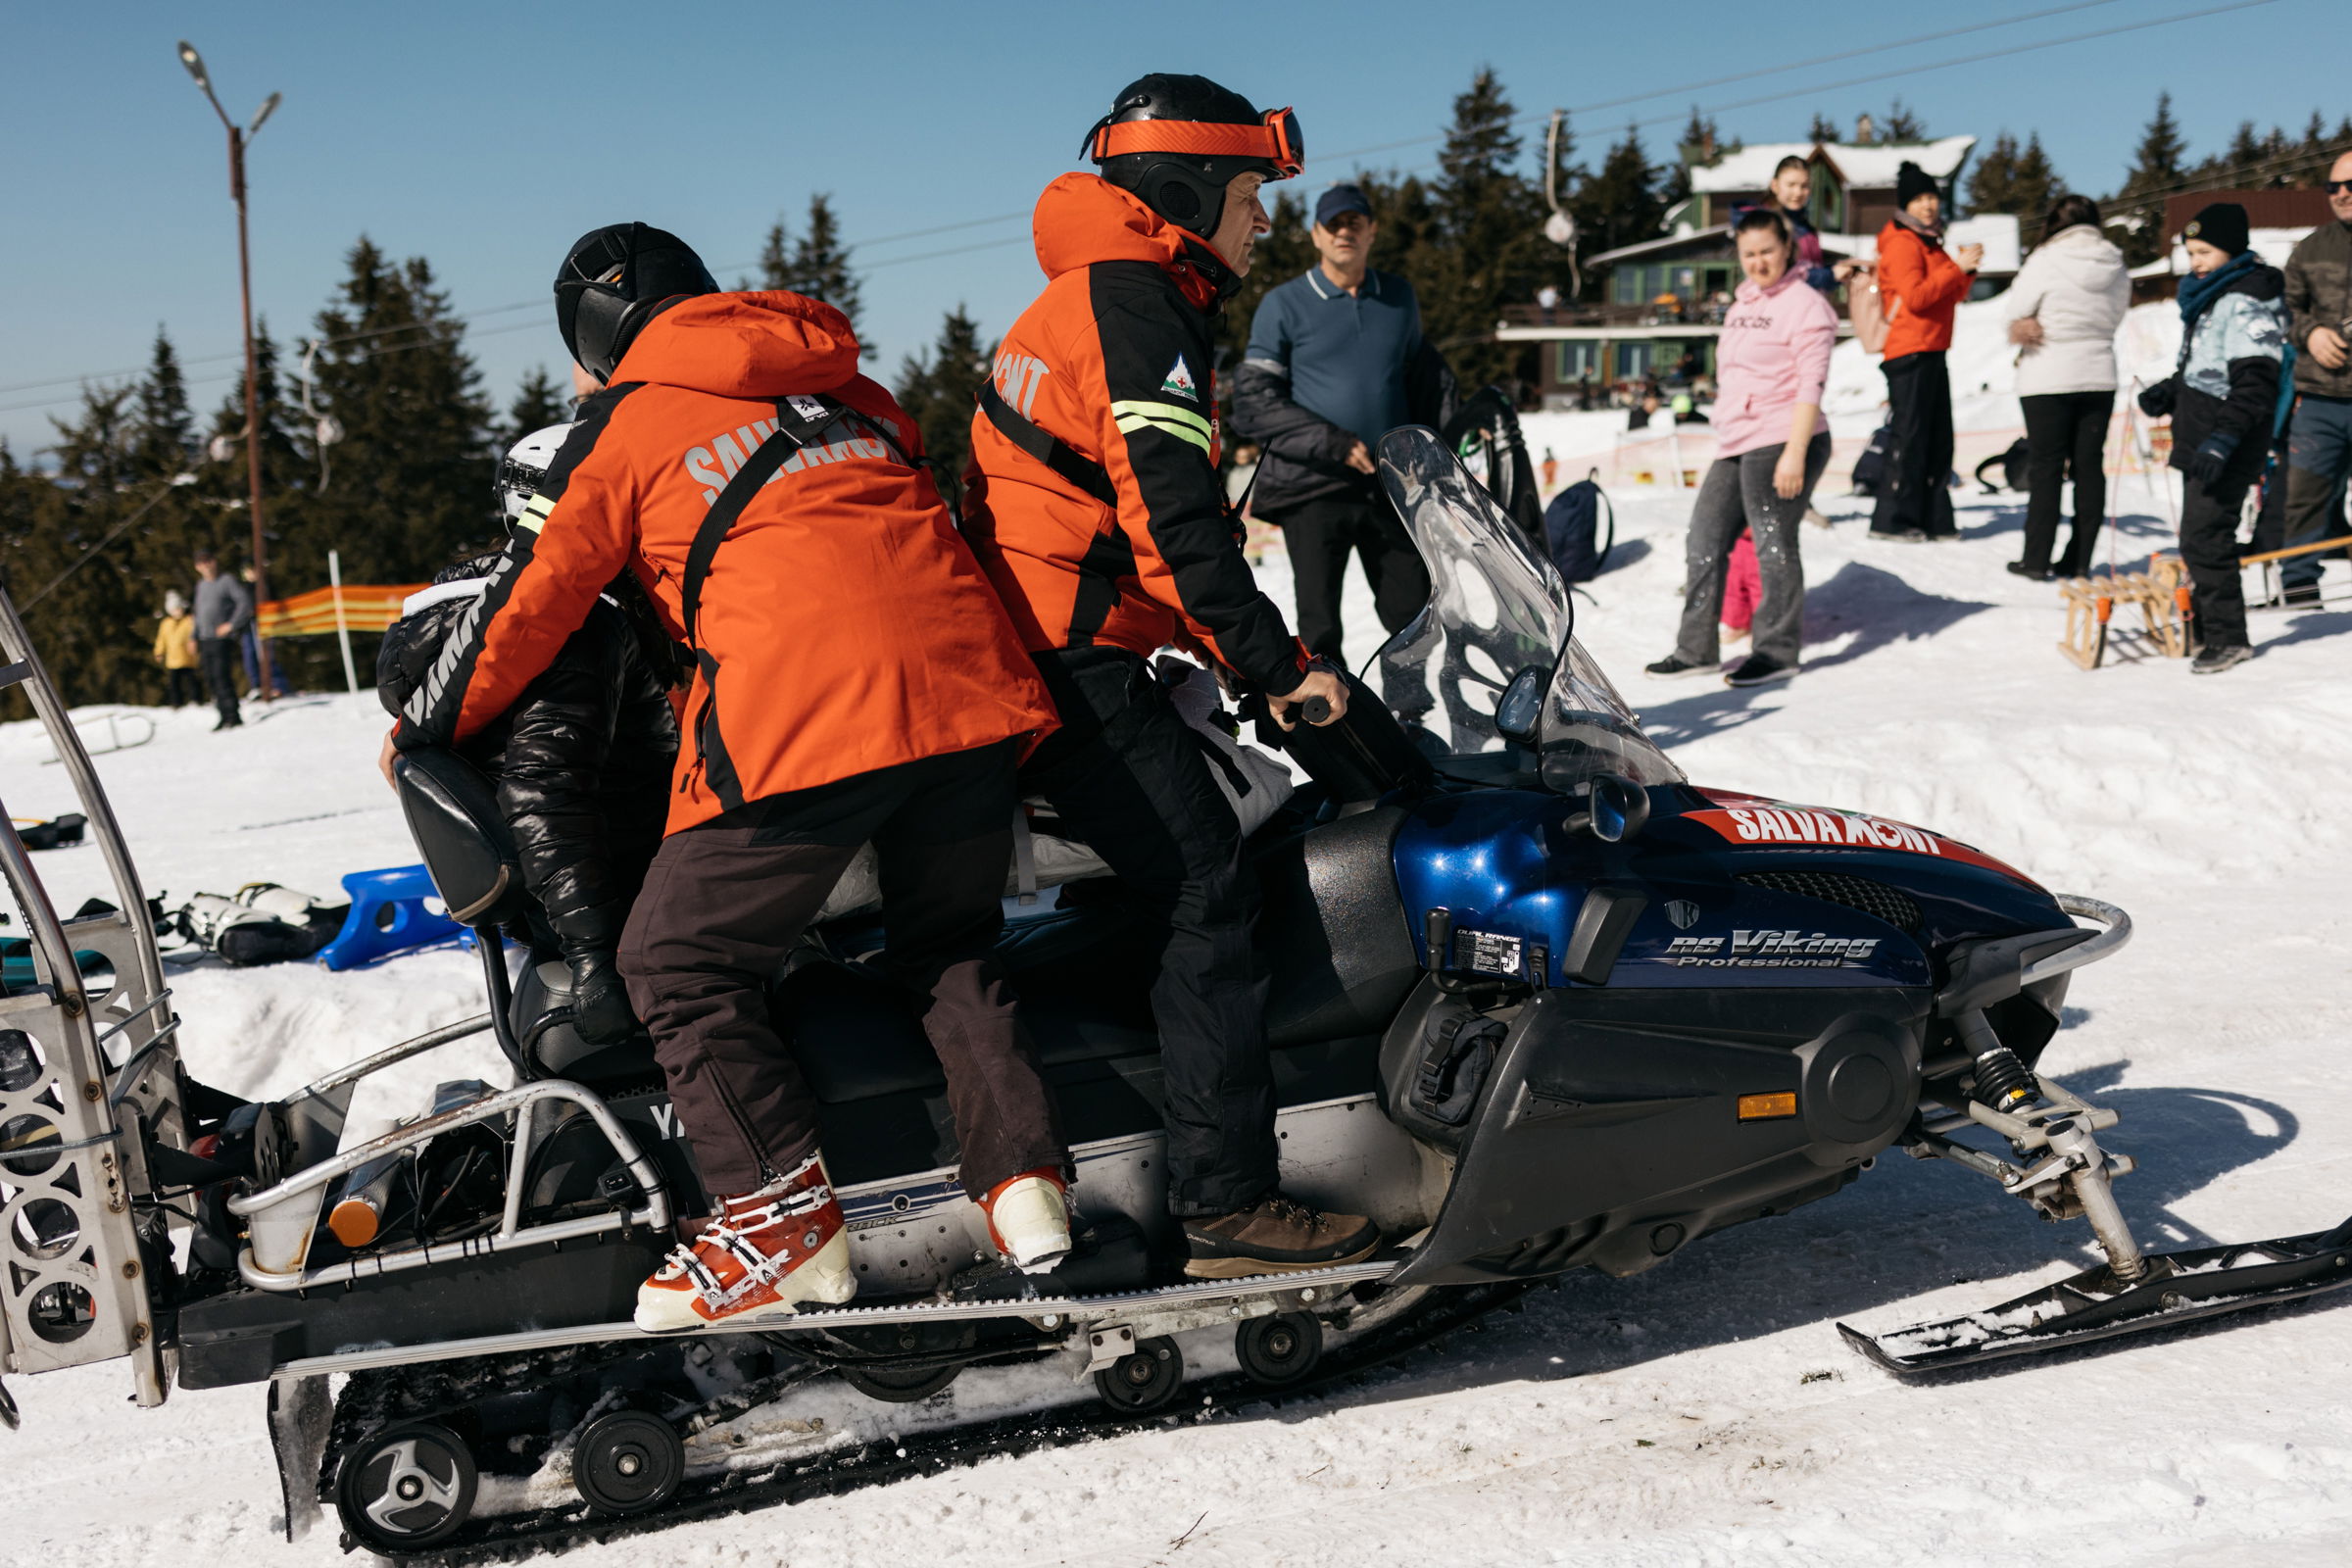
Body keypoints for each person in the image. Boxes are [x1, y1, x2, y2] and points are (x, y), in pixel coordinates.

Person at [391, 222, 1072, 1329]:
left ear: (603, 333)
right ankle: (1026, 1191)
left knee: (675, 959)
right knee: (946, 938)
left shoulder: (621, 426)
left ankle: (774, 1217)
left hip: (812, 712)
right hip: (972, 693)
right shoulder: (848, 386)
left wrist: (423, 722)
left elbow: (530, 605)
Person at [963, 74, 1376, 1279]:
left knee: (1184, 860)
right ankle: (1227, 1202)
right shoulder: (1136, 304)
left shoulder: (1106, 290)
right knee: (1204, 882)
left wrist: (1219, 652)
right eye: (1249, 195)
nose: (1261, 223)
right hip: (1069, 656)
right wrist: (1285, 666)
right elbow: (1178, 531)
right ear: (1188, 192)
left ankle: (1165, 1114)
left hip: (1065, 640)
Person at [376, 423, 678, 1051]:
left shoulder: (458, 627)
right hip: (631, 917)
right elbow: (544, 791)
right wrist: (594, 955)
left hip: (559, 914)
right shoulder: (572, 621)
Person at [1235, 181, 1454, 662]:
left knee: (1411, 611)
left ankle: (1409, 719)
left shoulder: (1399, 298)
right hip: (1312, 487)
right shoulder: (1283, 304)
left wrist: (1436, 449)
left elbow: (1425, 383)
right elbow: (1254, 399)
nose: (1343, 233)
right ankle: (1335, 729)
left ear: (1372, 231)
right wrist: (1332, 443)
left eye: (1354, 222)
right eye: (1333, 224)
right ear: (1315, 235)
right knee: (1320, 623)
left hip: (1390, 485)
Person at [1644, 207, 1838, 688]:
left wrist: (1795, 453)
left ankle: (1776, 650)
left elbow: (1810, 384)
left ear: (1788, 248)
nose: (1758, 262)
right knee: (1704, 539)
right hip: (1737, 438)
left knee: (1773, 541)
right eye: (1749, 254)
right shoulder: (1743, 303)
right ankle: (1696, 650)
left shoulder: (1806, 305)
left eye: (1767, 251)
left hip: (1785, 435)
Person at [2138, 203, 2287, 674]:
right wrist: (2171, 390)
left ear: (2233, 249)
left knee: (2206, 538)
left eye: (2205, 251)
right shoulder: (2213, 298)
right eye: (2191, 252)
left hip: (2225, 444)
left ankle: (2228, 638)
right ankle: (2205, 627)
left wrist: (2222, 440)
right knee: (2197, 537)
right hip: (2203, 442)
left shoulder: (2245, 301)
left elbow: (2255, 382)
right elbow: (2209, 368)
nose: (2196, 262)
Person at [2003, 193, 2130, 580]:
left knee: (2047, 467)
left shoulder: (2045, 259)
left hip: (2048, 374)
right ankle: (2078, 561)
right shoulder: (2115, 261)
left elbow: (2014, 310)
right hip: (2098, 374)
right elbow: (2120, 311)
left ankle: (2036, 559)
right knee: (2090, 468)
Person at [1871, 162, 1984, 541]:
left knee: (1938, 439)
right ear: (1906, 204)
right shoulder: (1902, 243)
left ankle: (1934, 518)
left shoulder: (1930, 242)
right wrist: (1956, 269)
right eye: (1919, 199)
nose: (1928, 205)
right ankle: (1893, 519)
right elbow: (1916, 297)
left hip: (1934, 347)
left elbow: (1950, 295)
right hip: (1908, 350)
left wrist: (1965, 271)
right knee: (1910, 436)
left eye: (1932, 197)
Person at [2277, 151, 2352, 604]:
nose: (2341, 194)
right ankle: (2300, 589)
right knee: (2304, 498)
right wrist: (2312, 333)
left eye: (2351, 185)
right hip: (2321, 401)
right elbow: (2287, 309)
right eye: (2333, 187)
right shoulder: (2309, 248)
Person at [190, 550, 251, 731]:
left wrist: (231, 625)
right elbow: (198, 614)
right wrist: (193, 636)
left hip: (221, 639)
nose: (205, 565)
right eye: (201, 563)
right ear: (197, 567)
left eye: (207, 561)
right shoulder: (201, 585)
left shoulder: (227, 581)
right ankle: (223, 715)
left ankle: (233, 716)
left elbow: (244, 602)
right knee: (210, 678)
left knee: (221, 676)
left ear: (214, 562)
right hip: (204, 639)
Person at [152, 591, 200, 708]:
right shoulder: (166, 624)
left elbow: (195, 635)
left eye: (179, 608)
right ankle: (176, 702)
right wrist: (159, 652)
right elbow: (161, 639)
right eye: (174, 609)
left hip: (188, 658)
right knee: (174, 683)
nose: (177, 611)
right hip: (173, 660)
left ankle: (196, 699)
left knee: (192, 681)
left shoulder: (189, 621)